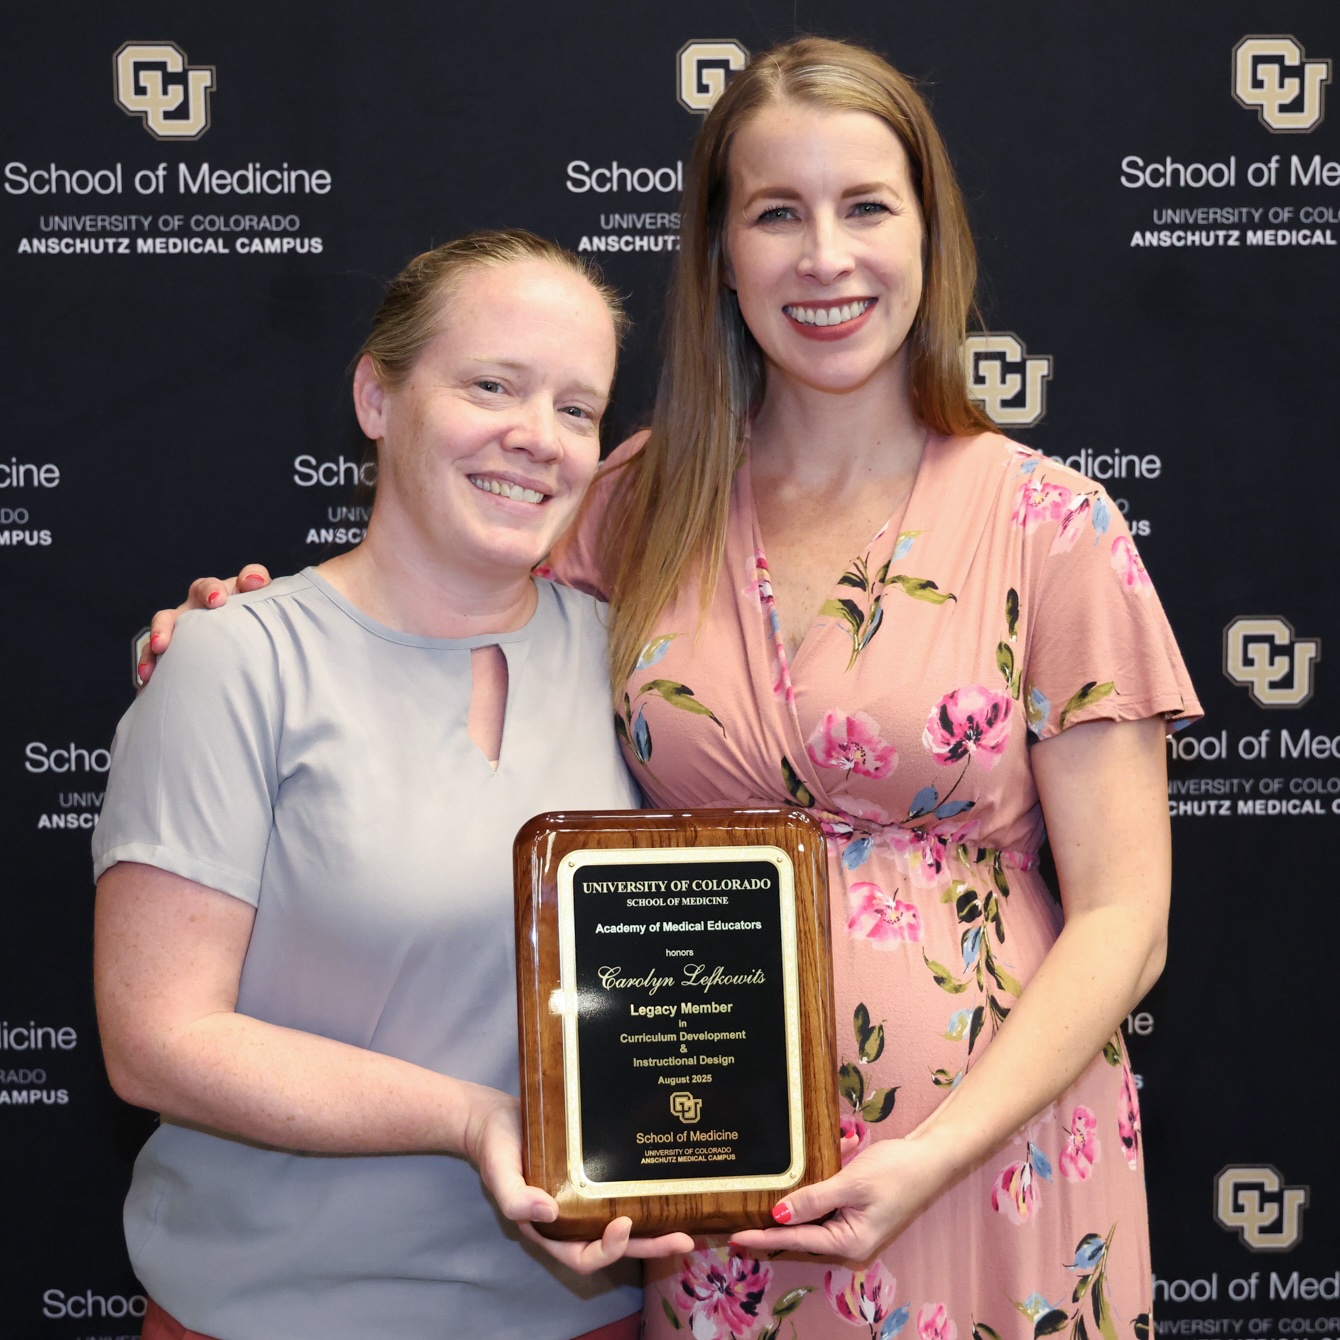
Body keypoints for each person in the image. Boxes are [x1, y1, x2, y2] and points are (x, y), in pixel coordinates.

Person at [143, 37, 1201, 1340]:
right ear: (718, 253)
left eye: (867, 206)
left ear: (932, 235)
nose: (824, 256)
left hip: (986, 1175)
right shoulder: (632, 504)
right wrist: (234, 630)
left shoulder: (1054, 524)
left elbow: (1126, 919)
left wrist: (934, 1158)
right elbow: (422, 603)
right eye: (775, 213)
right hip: (709, 1186)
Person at [94, 230, 693, 1340]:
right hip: (273, 1316)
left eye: (576, 407)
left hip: (576, 1318)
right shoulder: (239, 659)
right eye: (491, 385)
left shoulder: (638, 668)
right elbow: (154, 1037)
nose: (537, 438)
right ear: (377, 395)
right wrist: (475, 1120)